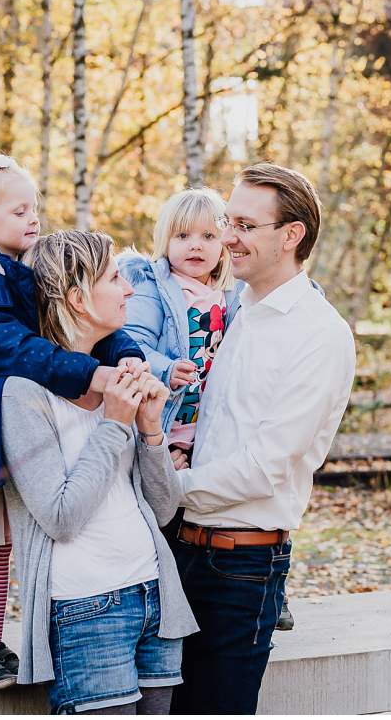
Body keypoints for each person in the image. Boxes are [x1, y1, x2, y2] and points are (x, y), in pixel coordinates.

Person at [0, 156, 146, 692]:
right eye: (18, 210)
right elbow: (11, 346)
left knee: (3, 543)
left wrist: (127, 352)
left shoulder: (19, 273)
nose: (32, 219)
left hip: (1, 425)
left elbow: (76, 319)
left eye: (34, 208)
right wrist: (88, 373)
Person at [152, 163, 357, 714]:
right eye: (227, 221)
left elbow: (266, 467)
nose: (225, 237)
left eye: (243, 224)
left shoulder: (318, 334)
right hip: (180, 548)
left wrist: (166, 486)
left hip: (240, 570)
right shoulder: (236, 312)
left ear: (290, 236)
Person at [0, 230, 199, 714]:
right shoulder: (22, 393)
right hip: (85, 609)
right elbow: (61, 516)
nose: (129, 288)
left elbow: (164, 508)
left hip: (156, 597)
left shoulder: (117, 374)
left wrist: (150, 430)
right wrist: (114, 424)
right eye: (114, 278)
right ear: (77, 298)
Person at [117, 188, 242, 543]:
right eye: (183, 236)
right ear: (165, 241)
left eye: (208, 237)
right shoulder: (153, 288)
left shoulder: (229, 296)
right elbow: (131, 344)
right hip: (160, 426)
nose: (196, 246)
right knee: (156, 522)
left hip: (202, 434)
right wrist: (166, 369)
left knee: (187, 526)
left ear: (223, 247)